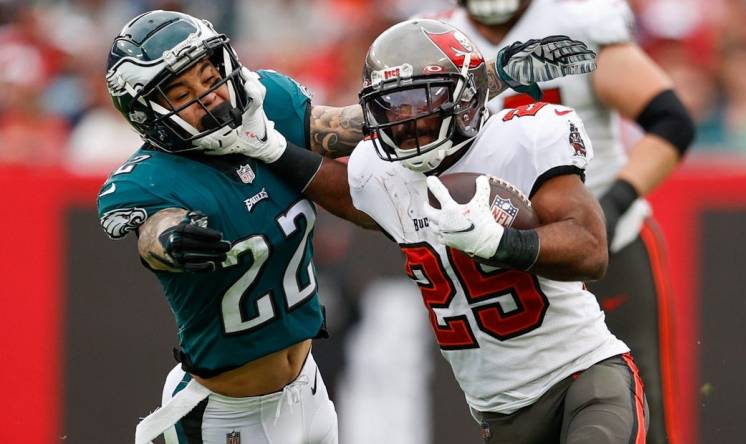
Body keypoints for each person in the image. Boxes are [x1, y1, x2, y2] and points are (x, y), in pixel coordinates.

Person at [97, 10, 588, 444]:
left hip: (308, 389)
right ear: (147, 114)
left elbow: (376, 120)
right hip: (224, 412)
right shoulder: (152, 179)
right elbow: (154, 233)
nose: (208, 97)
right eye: (181, 93)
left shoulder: (269, 105)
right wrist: (173, 241)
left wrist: (493, 75)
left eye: (208, 76)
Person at [228, 19, 648, 443]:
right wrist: (273, 150)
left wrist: (502, 243)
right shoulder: (383, 173)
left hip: (583, 378)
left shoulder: (521, 138)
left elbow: (591, 250)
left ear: (465, 99)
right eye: (394, 106)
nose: (409, 120)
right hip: (500, 416)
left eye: (422, 101)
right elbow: (344, 191)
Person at [425, 1, 697, 442]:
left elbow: (671, 122)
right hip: (500, 263)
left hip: (606, 243)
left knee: (642, 408)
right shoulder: (435, 42)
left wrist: (613, 205)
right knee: (519, 413)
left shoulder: (575, 22)